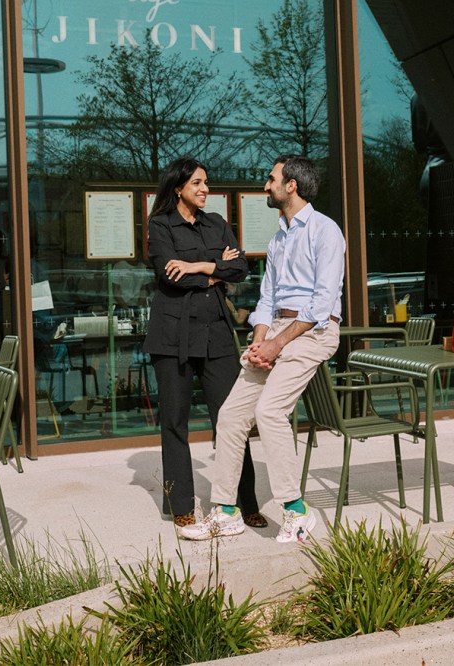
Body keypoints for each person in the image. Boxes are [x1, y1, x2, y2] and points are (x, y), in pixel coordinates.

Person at [179, 154, 345, 544]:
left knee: (270, 411)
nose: (265, 185)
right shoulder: (278, 239)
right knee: (231, 416)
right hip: (278, 332)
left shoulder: (325, 231)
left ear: (292, 185)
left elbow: (322, 305)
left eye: (271, 179)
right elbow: (267, 299)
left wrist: (276, 343)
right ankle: (225, 511)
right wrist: (259, 341)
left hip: (314, 332)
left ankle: (297, 512)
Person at [143, 157, 265, 529]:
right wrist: (216, 267)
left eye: (206, 183)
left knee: (231, 420)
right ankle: (180, 504)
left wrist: (197, 265)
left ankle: (247, 503)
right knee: (175, 423)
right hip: (171, 336)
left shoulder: (217, 223)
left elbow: (241, 268)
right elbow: (169, 274)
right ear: (178, 187)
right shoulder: (159, 225)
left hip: (215, 335)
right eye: (197, 183)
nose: (205, 189)